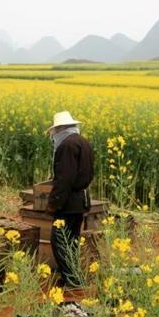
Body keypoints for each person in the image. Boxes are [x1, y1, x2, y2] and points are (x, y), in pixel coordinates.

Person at [45, 111, 94, 288]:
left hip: (69, 203)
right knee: (72, 240)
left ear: (59, 129)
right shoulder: (83, 142)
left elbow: (64, 179)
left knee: (59, 239)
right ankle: (73, 276)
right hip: (81, 201)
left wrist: (53, 203)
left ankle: (71, 279)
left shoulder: (66, 146)